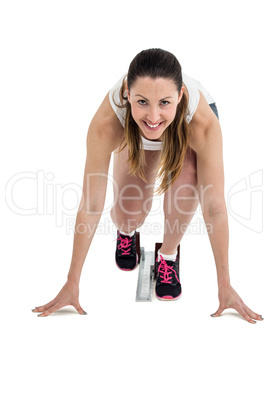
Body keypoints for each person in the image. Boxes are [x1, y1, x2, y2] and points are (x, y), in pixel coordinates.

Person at [32, 48, 263, 323]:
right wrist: (72, 281)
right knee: (129, 211)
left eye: (164, 102)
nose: (153, 116)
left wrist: (225, 285)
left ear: (180, 96)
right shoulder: (108, 123)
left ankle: (167, 256)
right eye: (142, 101)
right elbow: (91, 203)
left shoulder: (201, 124)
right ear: (128, 94)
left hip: (182, 129)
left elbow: (214, 207)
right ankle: (127, 231)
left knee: (186, 190)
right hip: (130, 129)